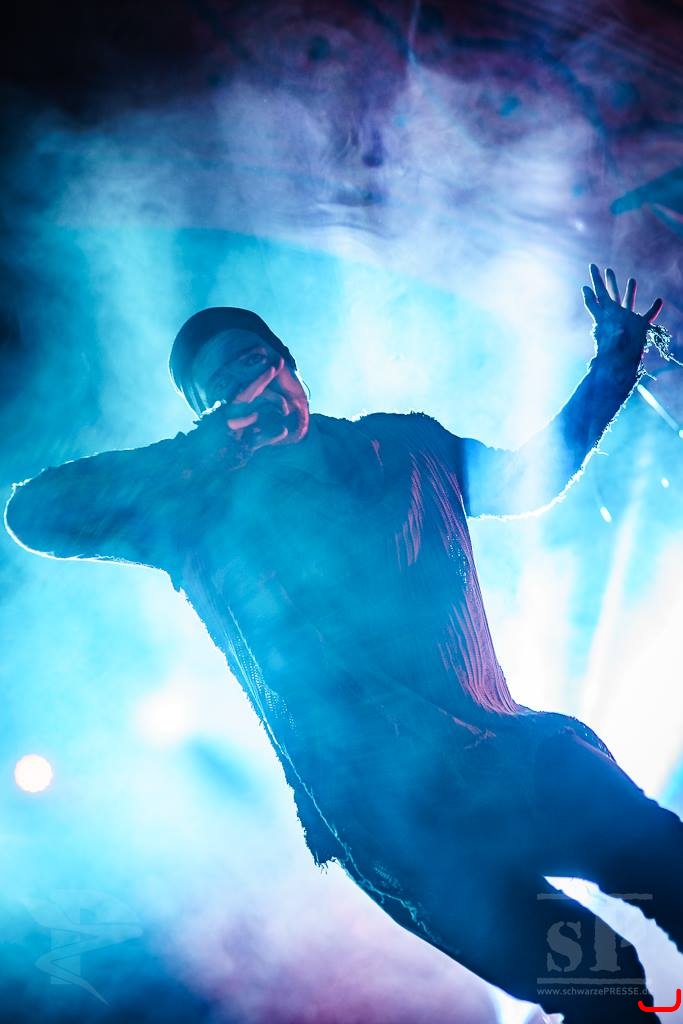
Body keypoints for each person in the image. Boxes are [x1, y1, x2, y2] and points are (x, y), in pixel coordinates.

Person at [5, 265, 681, 1023]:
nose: (248, 387)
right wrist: (210, 449)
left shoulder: (405, 445)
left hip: (511, 755)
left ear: (288, 364)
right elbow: (34, 514)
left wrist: (613, 365)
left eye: (253, 361)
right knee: (599, 982)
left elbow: (527, 478)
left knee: (667, 867)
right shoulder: (191, 510)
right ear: (208, 415)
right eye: (220, 387)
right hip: (408, 832)